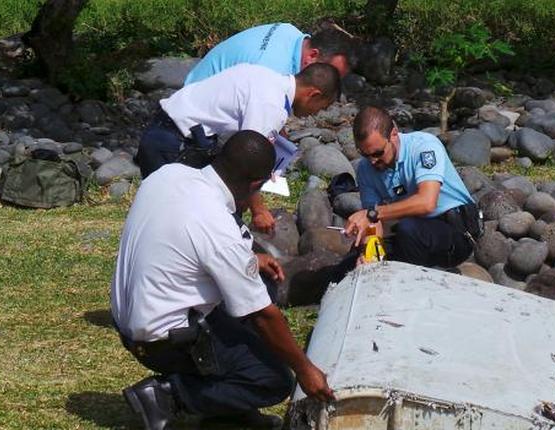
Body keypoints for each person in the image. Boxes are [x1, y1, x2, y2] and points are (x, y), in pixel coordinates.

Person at [112, 130, 334, 430]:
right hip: (161, 341)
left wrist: (251, 259)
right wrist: (305, 369)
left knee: (262, 282)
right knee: (272, 379)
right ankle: (168, 395)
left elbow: (181, 242)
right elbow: (262, 316)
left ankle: (229, 412)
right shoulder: (216, 224)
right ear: (256, 184)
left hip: (130, 319)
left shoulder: (168, 174)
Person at [135, 62, 341, 233]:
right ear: (314, 94)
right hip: (175, 144)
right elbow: (247, 163)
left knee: (169, 217)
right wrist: (259, 211)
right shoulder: (271, 105)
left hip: (164, 130)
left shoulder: (265, 75)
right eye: (320, 108)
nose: (314, 114)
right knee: (176, 223)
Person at [343, 105, 480, 268]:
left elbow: (427, 203)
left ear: (393, 134)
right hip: (416, 232)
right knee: (353, 259)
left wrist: (372, 213)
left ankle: (414, 285)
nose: (372, 161)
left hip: (457, 232)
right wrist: (369, 254)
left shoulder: (424, 146)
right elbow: (373, 224)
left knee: (408, 230)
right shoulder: (366, 169)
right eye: (365, 154)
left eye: (378, 153)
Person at [184, 23, 352, 85]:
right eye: (332, 75)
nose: (331, 85)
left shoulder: (289, 31)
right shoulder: (272, 71)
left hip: (198, 83)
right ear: (312, 56)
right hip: (193, 118)